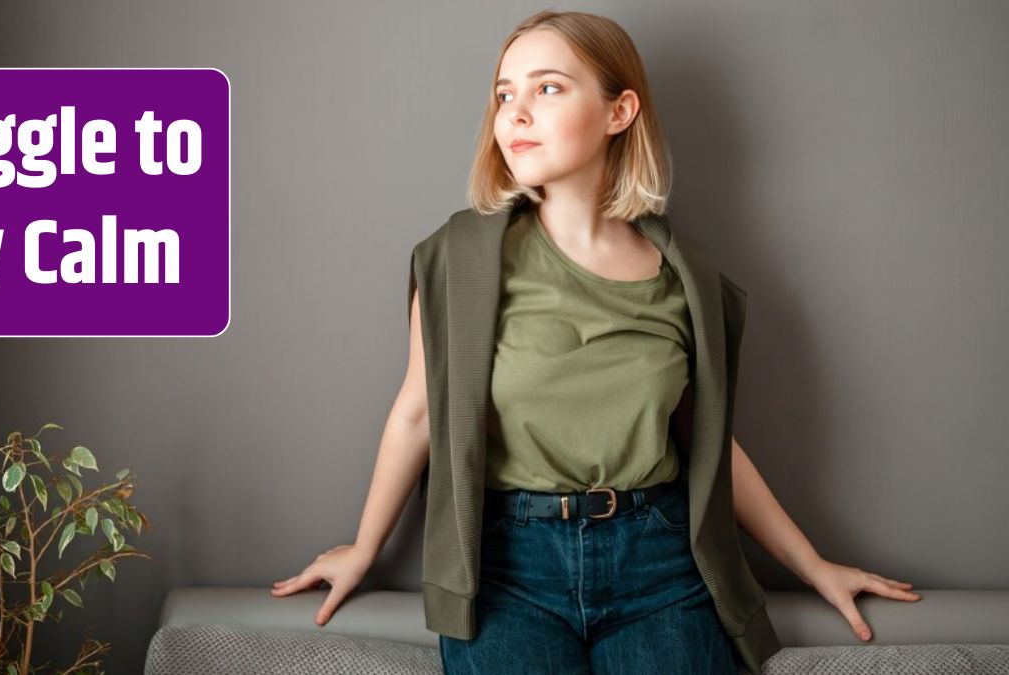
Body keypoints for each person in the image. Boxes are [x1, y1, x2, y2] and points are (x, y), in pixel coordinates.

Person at [272, 10, 921, 674]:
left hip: (660, 567)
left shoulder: (686, 280)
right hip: (508, 572)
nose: (516, 113)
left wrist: (813, 565)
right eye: (505, 94)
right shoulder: (460, 258)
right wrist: (363, 547)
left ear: (620, 111)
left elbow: (711, 444)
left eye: (547, 88)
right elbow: (417, 412)